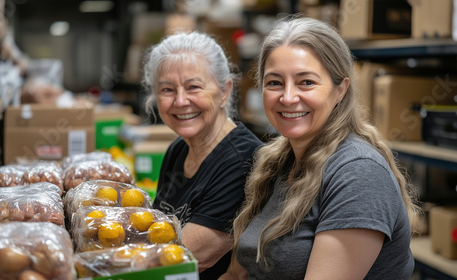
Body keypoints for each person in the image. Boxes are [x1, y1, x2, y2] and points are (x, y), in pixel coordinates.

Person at [220, 16, 422, 280]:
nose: (288, 97)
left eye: (306, 82)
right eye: (274, 83)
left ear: (340, 90)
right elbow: (237, 273)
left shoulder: (358, 174)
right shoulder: (279, 162)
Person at [141, 31, 262, 279]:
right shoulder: (179, 148)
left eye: (193, 87)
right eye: (167, 89)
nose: (181, 101)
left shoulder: (242, 161)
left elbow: (186, 256)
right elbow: (157, 234)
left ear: (224, 91)